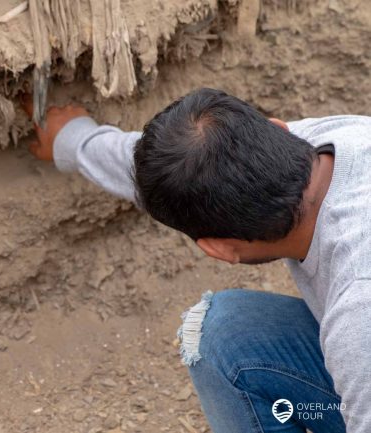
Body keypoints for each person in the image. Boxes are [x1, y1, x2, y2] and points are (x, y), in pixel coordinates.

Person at [24, 88, 371, 433]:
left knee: (222, 345)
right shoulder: (339, 138)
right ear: (278, 129)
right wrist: (75, 140)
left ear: (220, 249)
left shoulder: (357, 317)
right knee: (225, 330)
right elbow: (194, 168)